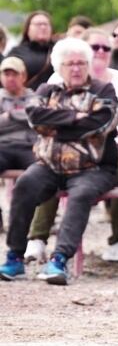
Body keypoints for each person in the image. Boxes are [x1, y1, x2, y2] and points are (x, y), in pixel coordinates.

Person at [0, 38, 118, 285]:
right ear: (58, 67)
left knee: (81, 194)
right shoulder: (46, 90)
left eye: (80, 63)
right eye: (69, 64)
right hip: (49, 165)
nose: (76, 68)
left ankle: (59, 259)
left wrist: (55, 125)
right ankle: (14, 257)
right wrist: (78, 117)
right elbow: (35, 118)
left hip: (93, 167)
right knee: (25, 184)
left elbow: (102, 122)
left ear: (88, 65)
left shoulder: (103, 90)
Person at [30, 29, 118, 264]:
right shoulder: (57, 78)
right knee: (50, 168)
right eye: (95, 47)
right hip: (66, 149)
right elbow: (43, 116)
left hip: (115, 149)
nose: (101, 52)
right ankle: (37, 239)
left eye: (106, 48)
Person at [0, 57, 39, 232]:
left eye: (14, 74)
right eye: (6, 74)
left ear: (23, 76)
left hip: (28, 146)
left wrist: (10, 116)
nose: (10, 78)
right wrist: (22, 116)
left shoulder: (35, 97)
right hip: (3, 147)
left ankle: (33, 221)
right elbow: (28, 117)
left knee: (41, 171)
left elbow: (36, 119)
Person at [9, 11, 55, 90]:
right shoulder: (17, 52)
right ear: (28, 29)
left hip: (54, 99)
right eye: (38, 24)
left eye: (46, 24)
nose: (43, 27)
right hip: (27, 99)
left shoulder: (59, 50)